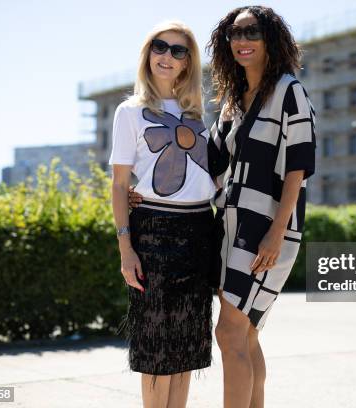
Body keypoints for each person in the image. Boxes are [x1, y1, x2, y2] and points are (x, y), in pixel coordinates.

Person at [129, 6, 316, 407]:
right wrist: (139, 189)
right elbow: (204, 162)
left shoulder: (288, 89)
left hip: (266, 228)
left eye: (252, 32)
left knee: (229, 333)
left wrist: (276, 230)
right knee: (245, 334)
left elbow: (299, 165)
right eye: (234, 34)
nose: (242, 41)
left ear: (271, 40)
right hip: (229, 227)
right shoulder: (233, 101)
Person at [110, 20, 215, 408]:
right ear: (147, 53)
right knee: (155, 347)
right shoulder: (130, 112)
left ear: (188, 63)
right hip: (152, 230)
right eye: (160, 46)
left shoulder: (199, 116)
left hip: (201, 229)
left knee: (188, 344)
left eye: (178, 50)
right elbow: (120, 185)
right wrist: (126, 249)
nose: (167, 56)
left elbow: (213, 178)